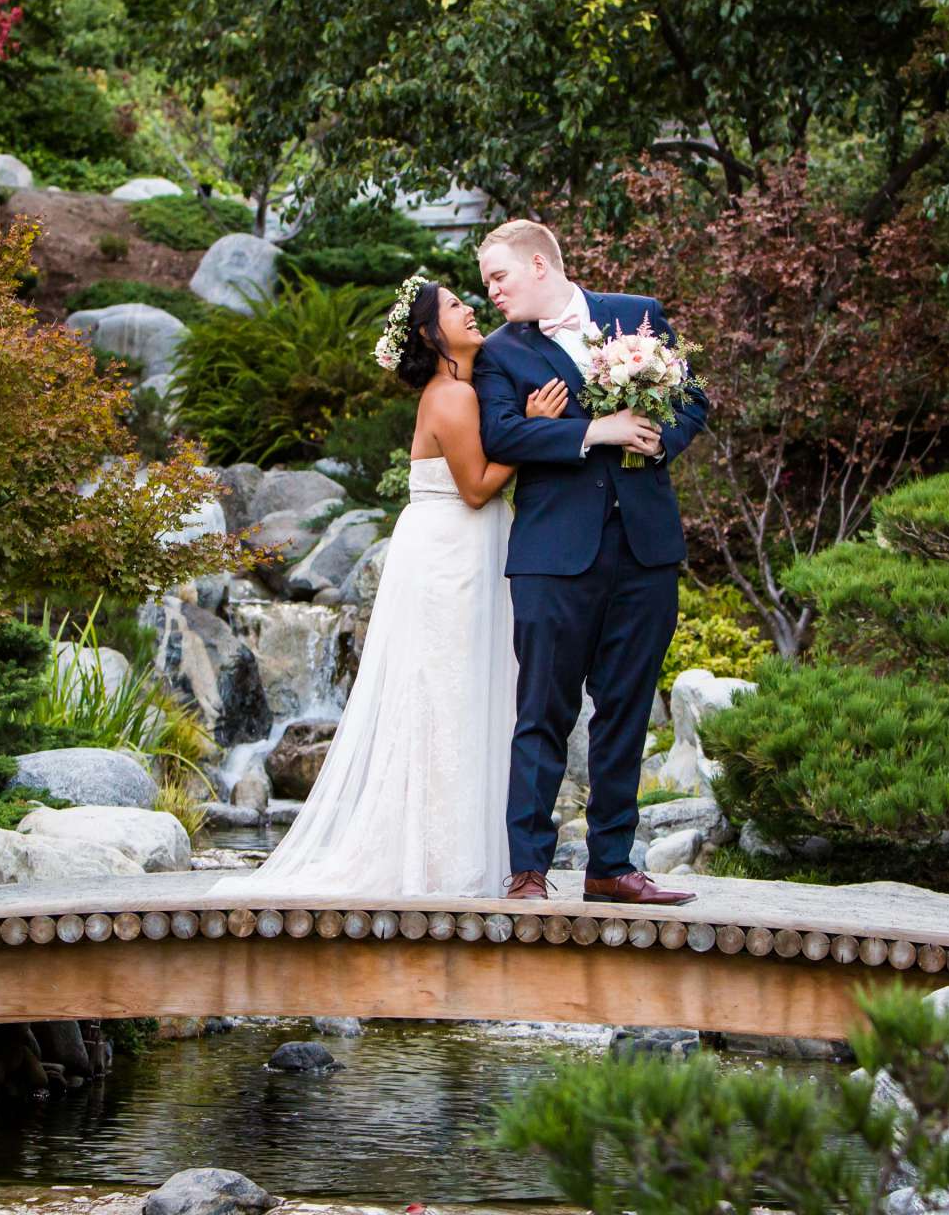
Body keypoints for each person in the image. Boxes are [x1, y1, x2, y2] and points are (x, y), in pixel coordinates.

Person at [213, 279, 569, 898]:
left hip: (458, 545)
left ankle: (457, 855)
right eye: (457, 306)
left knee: (458, 696)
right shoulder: (452, 398)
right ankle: (438, 864)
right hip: (450, 553)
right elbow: (479, 487)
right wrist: (536, 429)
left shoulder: (460, 389)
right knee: (446, 698)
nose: (471, 310)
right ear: (432, 334)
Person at [469, 218, 710, 905]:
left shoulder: (638, 316)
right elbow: (500, 432)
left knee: (627, 709)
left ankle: (611, 866)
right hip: (552, 556)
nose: (491, 292)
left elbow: (693, 398)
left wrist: (661, 440)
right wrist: (592, 430)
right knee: (541, 711)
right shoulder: (499, 354)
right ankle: (528, 872)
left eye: (499, 277)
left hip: (645, 549)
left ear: (540, 264)